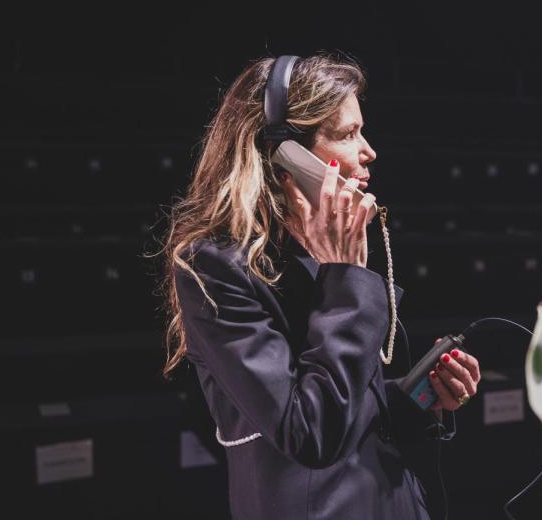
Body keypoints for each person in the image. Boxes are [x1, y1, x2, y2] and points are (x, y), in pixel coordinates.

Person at [159, 53, 482, 519]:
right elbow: (308, 431)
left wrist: (418, 399)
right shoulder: (213, 268)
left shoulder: (322, 248)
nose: (369, 151)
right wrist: (347, 279)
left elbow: (345, 401)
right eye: (348, 134)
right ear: (286, 153)